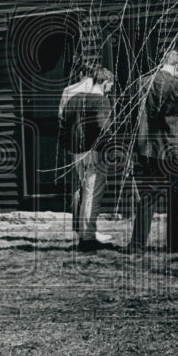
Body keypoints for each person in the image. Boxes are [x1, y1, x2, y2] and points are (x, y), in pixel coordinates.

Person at [127, 50, 178, 254]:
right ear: (177, 67)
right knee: (176, 202)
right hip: (176, 151)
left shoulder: (141, 84)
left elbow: (134, 118)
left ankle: (136, 245)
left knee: (147, 199)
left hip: (148, 150)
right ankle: (173, 245)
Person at [60, 66, 116, 250]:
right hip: (94, 151)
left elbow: (64, 125)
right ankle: (88, 237)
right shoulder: (101, 101)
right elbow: (103, 128)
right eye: (111, 85)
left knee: (85, 192)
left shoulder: (73, 99)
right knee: (92, 193)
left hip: (76, 152)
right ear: (105, 83)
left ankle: (85, 234)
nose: (111, 89)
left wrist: (70, 148)